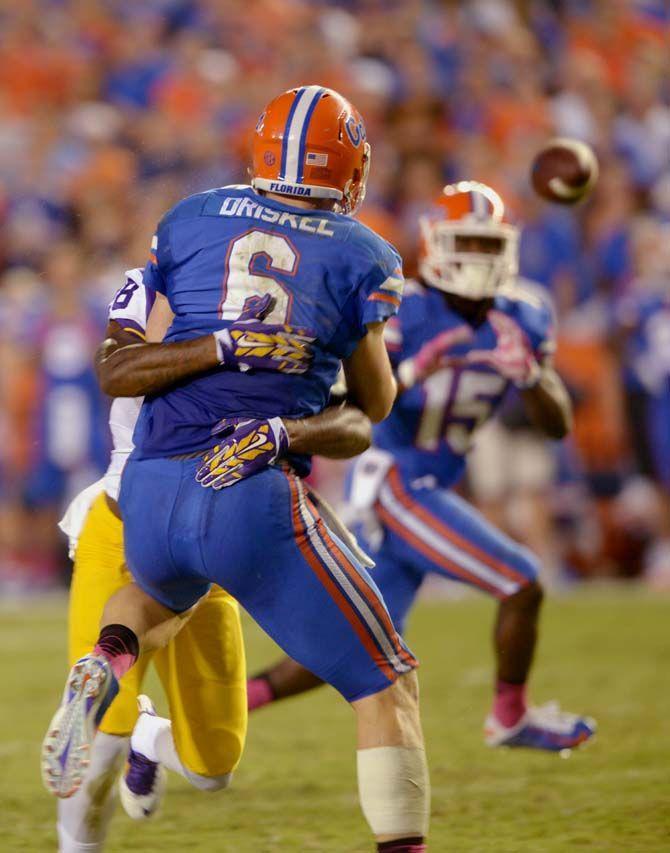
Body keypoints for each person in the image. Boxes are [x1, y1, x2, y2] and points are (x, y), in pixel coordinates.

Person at [43, 86, 431, 853]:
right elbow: (374, 401)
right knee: (387, 682)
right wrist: (279, 380)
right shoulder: (361, 252)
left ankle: (104, 657)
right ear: (350, 169)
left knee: (153, 597)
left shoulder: (190, 220)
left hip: (149, 489)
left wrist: (224, 346)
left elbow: (121, 364)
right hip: (248, 490)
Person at [246, 181, 597, 753]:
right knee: (522, 581)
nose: (480, 259)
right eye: (468, 244)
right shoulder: (401, 308)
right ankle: (509, 717)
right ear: (436, 243)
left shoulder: (524, 315)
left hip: (430, 484)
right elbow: (346, 407)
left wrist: (532, 375)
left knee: (349, 648)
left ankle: (219, 710)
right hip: (394, 480)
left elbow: (557, 424)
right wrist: (408, 372)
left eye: (489, 246)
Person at [51, 267, 325, 851]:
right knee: (97, 747)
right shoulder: (155, 286)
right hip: (125, 522)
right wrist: (224, 346)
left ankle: (148, 738)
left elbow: (321, 415)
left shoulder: (277, 304)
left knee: (213, 766)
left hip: (211, 538)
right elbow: (117, 368)